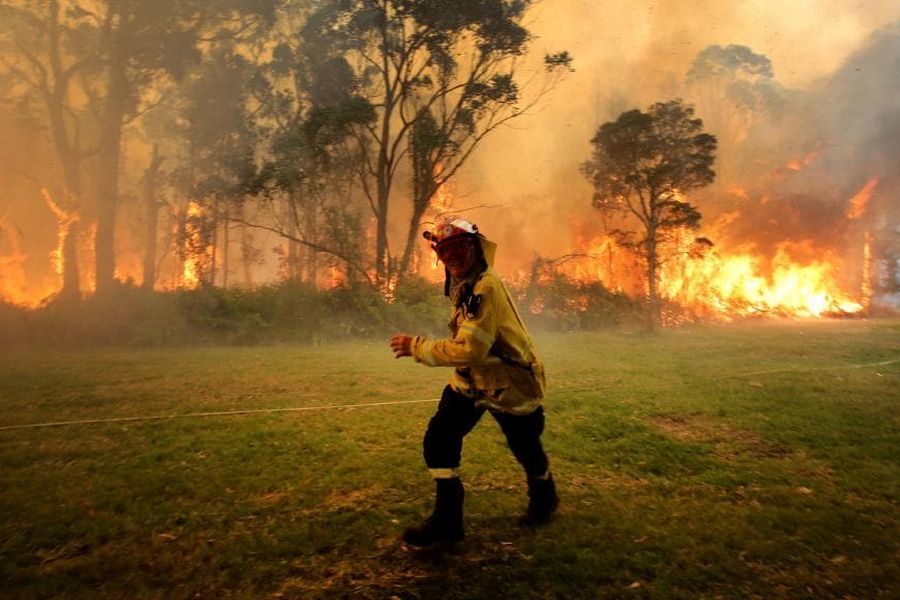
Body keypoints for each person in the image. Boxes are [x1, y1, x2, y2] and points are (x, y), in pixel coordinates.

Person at [390, 216, 558, 547]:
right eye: (445, 250)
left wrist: (417, 347)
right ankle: (447, 522)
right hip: (473, 383)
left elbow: (471, 348)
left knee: (525, 447)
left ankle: (545, 497)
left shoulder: (486, 287)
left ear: (475, 248)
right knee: (439, 438)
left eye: (459, 248)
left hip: (511, 385)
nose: (452, 256)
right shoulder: (463, 285)